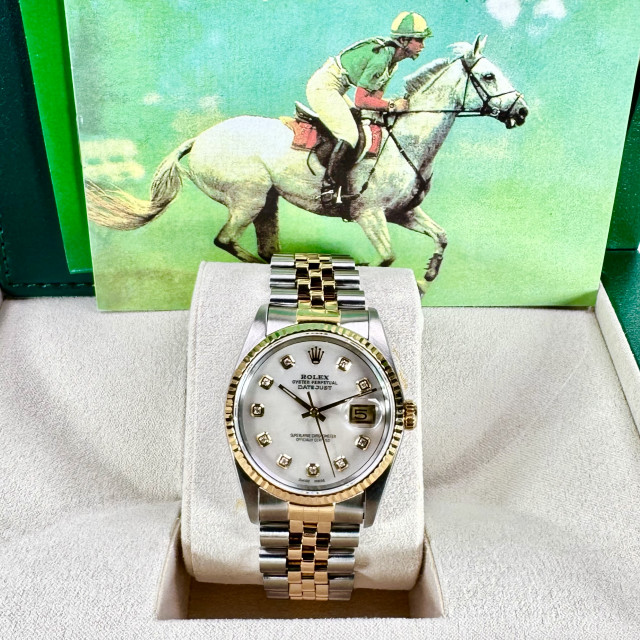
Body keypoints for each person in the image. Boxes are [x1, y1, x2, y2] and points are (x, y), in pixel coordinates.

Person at [306, 11, 432, 207]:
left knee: (362, 124)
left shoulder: (392, 64)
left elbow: (374, 99)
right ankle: (329, 188)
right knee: (349, 134)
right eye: (419, 40)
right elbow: (361, 101)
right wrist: (392, 105)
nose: (423, 45)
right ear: (404, 40)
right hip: (324, 87)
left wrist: (391, 106)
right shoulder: (381, 59)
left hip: (338, 89)